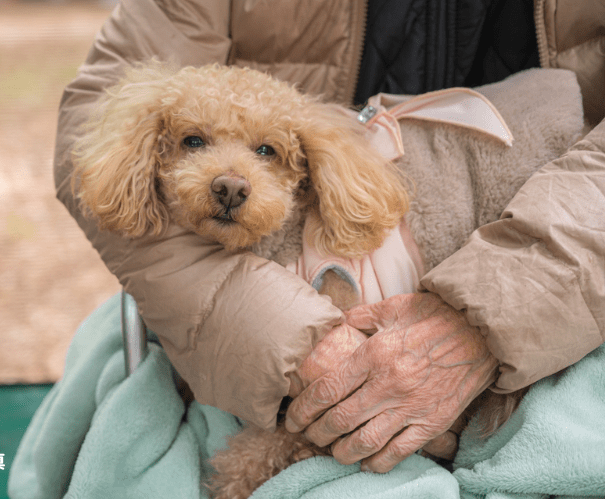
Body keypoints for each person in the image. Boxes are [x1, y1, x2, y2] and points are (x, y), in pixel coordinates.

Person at [54, 0, 605, 473]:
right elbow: (93, 106)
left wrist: (498, 316)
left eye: (266, 152)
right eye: (194, 142)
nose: (230, 182)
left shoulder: (340, 195)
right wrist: (282, 334)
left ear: (303, 168)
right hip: (203, 283)